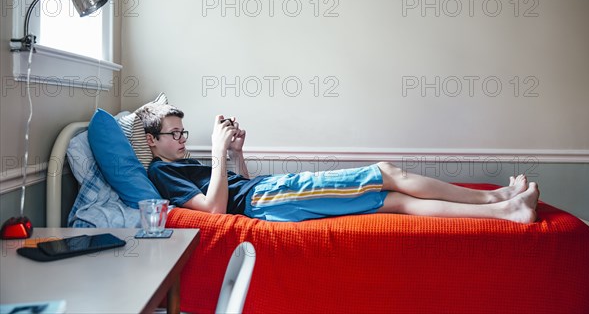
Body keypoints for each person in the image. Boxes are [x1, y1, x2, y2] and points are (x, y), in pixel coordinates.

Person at [137, 103, 539, 224]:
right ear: (152, 141)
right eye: (174, 135)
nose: (182, 140)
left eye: (184, 133)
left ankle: (504, 208)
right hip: (269, 201)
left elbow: (234, 189)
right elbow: (215, 209)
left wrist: (237, 154)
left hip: (264, 195)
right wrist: (219, 152)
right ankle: (498, 203)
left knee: (395, 202)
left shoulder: (182, 163)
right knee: (386, 174)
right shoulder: (160, 172)